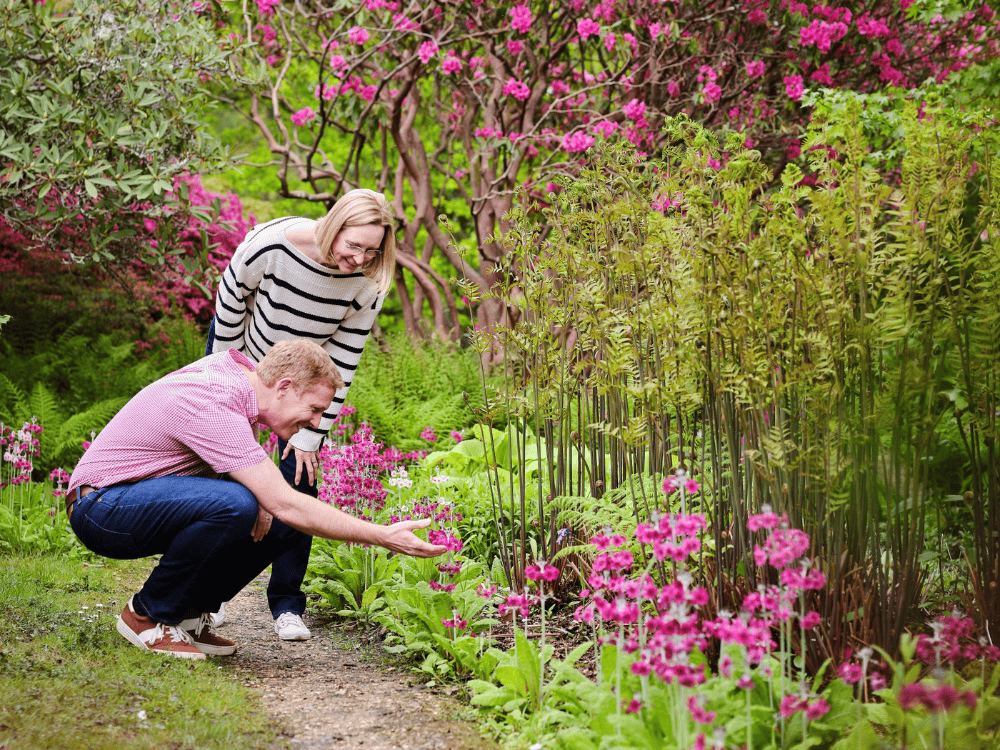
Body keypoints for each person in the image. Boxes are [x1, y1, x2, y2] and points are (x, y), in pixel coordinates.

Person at [65, 339, 445, 659]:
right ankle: (147, 615)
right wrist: (384, 535)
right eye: (314, 409)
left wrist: (267, 499)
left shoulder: (240, 381)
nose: (316, 423)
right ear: (283, 386)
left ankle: (185, 615)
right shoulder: (213, 401)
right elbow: (282, 500)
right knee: (241, 504)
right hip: (102, 507)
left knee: (285, 520)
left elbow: (285, 506)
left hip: (137, 499)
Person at [205, 188, 396, 641]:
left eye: (372, 250)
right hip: (245, 364)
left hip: (309, 383)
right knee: (226, 479)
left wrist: (314, 432)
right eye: (354, 246)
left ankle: (287, 603)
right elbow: (230, 304)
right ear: (334, 226)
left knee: (300, 483)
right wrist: (226, 383)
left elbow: (346, 356)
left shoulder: (369, 281)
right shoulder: (271, 245)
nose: (360, 258)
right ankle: (207, 596)